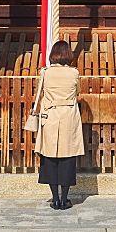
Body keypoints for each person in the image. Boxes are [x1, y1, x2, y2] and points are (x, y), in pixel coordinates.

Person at [34, 40, 84, 210]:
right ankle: (65, 198)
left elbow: (39, 92)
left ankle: (55, 198)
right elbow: (77, 91)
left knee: (49, 156)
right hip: (68, 114)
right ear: (68, 54)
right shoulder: (74, 73)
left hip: (50, 115)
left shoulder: (45, 73)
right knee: (67, 156)